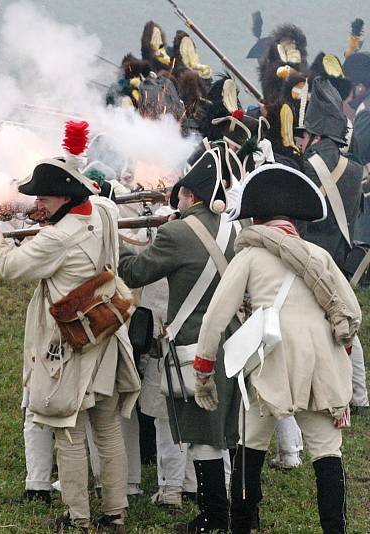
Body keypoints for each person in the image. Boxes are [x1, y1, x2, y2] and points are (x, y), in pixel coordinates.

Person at [0, 156, 141, 533]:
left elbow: (11, 267)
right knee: (108, 429)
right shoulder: (103, 211)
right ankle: (115, 514)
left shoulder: (57, 238)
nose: (39, 203)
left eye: (44, 197)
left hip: (72, 344)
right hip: (107, 335)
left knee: (69, 433)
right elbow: (78, 208)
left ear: (64, 197)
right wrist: (22, 213)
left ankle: (78, 518)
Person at [193, 163, 361, 534]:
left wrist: (203, 371)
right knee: (327, 456)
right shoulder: (318, 255)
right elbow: (351, 313)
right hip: (322, 364)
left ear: (256, 218)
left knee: (250, 449)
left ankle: (243, 527)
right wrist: (342, 360)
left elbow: (214, 318)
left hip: (272, 364)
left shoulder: (250, 256)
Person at [118, 146, 241, 534]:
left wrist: (112, 240)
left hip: (194, 347)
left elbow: (134, 274)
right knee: (223, 432)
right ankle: (225, 510)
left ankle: (213, 519)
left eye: (182, 193)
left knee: (204, 437)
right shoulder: (235, 229)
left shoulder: (174, 232)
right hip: (232, 342)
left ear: (190, 195)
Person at [296, 76, 369, 417]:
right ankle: (359, 394)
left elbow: (297, 222)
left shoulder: (303, 169)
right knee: (346, 322)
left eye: (305, 134)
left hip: (308, 260)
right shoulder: (354, 171)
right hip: (338, 259)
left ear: (316, 135)